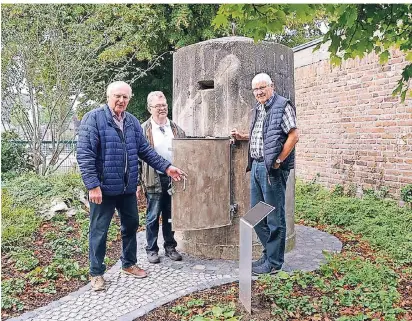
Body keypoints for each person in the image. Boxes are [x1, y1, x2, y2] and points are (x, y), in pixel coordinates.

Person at [77, 81, 185, 291]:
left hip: (126, 188)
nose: (121, 100)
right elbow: (85, 154)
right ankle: (96, 272)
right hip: (103, 189)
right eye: (118, 96)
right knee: (99, 231)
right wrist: (92, 186)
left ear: (130, 99)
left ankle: (128, 263)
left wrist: (167, 167)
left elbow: (145, 151)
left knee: (131, 226)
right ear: (108, 96)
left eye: (125, 97)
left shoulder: (132, 122)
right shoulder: (94, 118)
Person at [231, 73, 299, 275]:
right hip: (257, 167)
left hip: (272, 171)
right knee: (256, 216)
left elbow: (294, 135)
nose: (259, 92)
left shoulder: (282, 106)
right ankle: (269, 254)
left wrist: (279, 160)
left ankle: (274, 264)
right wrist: (243, 137)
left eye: (263, 87)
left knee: (274, 218)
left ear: (272, 86)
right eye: (256, 89)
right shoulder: (259, 108)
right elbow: (264, 135)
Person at [138, 91, 185, 264]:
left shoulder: (176, 129)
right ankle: (151, 249)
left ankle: (170, 247)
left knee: (171, 216)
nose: (162, 109)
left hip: (173, 180)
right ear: (150, 108)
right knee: (152, 216)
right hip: (153, 179)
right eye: (158, 106)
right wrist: (137, 183)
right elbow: (136, 158)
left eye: (164, 105)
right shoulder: (143, 130)